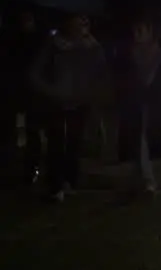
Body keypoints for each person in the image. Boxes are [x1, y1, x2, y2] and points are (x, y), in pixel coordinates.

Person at [29, 14, 108, 202]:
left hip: (80, 101)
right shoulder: (54, 45)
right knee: (56, 143)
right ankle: (56, 186)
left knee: (74, 143)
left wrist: (92, 91)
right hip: (57, 102)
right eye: (77, 22)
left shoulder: (91, 47)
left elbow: (102, 72)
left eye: (84, 22)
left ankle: (70, 182)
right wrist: (52, 90)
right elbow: (34, 73)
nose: (81, 26)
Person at [117, 18, 161, 198]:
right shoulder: (131, 51)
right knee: (137, 139)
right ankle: (141, 179)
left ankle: (146, 180)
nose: (136, 35)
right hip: (135, 100)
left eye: (140, 30)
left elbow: (150, 77)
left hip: (148, 100)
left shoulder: (154, 51)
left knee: (142, 140)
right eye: (135, 31)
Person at [1, 9, 44, 187]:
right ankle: (27, 170)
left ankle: (23, 170)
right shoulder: (36, 42)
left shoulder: (10, 40)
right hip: (22, 93)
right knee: (24, 133)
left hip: (18, 92)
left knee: (15, 133)